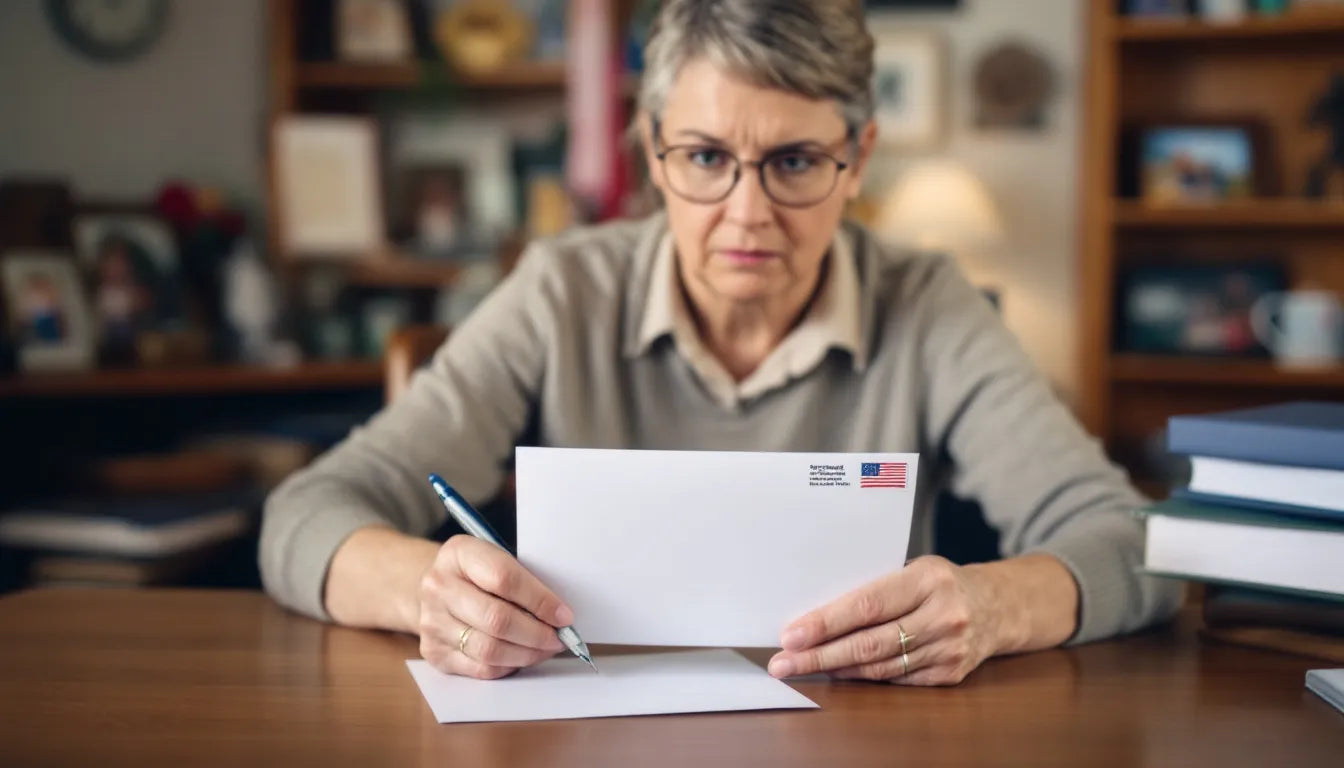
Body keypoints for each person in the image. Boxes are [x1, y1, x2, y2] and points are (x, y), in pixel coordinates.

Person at [261, 0, 1182, 686]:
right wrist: (428, 588)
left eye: (795, 162)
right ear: (651, 148)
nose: (747, 214)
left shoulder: (928, 307)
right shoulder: (561, 290)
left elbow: (1139, 545)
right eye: (705, 158)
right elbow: (306, 512)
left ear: (857, 159)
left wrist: (991, 606)